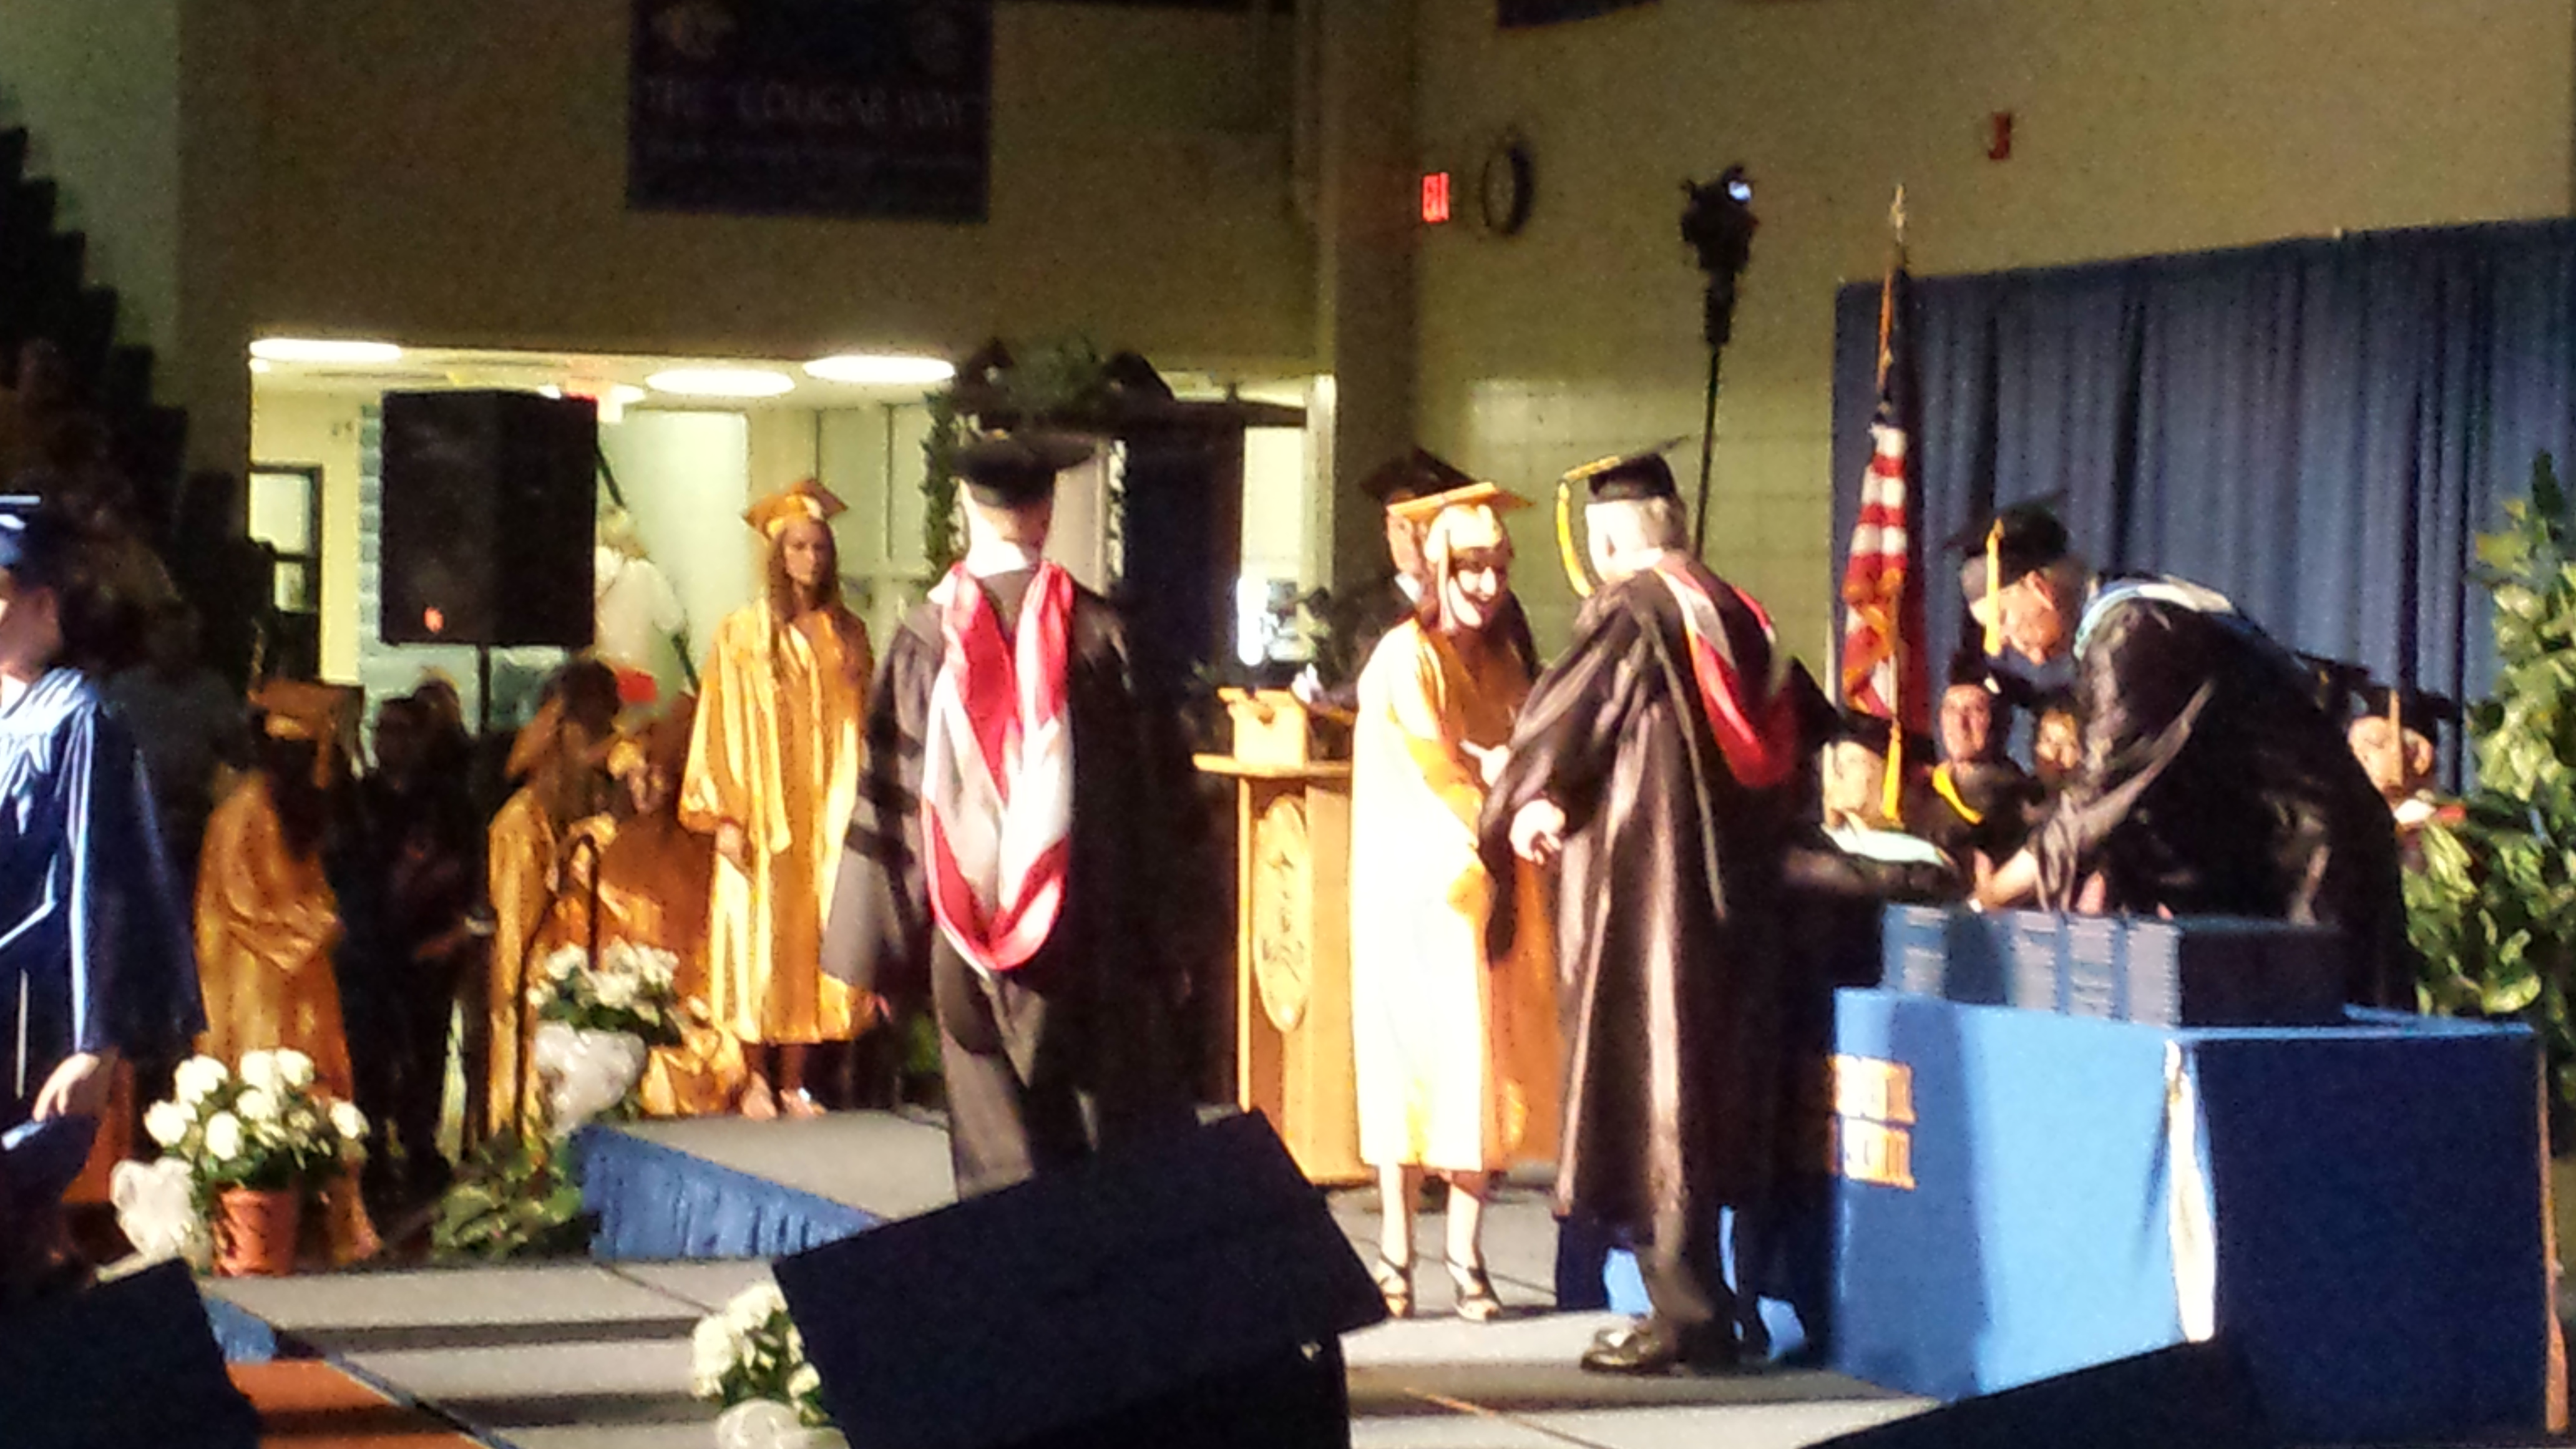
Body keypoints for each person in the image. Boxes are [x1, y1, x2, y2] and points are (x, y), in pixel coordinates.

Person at [1478, 448, 1802, 1375]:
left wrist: (1518, 794)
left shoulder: (1633, 610)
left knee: (1658, 1094)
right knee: (1700, 1095)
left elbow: (1568, 717)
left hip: (1648, 899)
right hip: (1731, 900)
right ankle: (1717, 1304)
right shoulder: (1738, 613)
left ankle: (1687, 1316)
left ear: (1610, 541)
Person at [825, 432, 1194, 1197]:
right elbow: (1160, 811)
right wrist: (1172, 943)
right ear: (1047, 514)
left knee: (1000, 1176)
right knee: (1111, 1170)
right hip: (1094, 948)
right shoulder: (1106, 638)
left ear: (966, 505)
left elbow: (891, 808)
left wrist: (885, 955)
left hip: (965, 950)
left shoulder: (921, 642)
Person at [1963, 504, 2411, 1007]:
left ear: (2039, 590)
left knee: (2323, 1036)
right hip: (2269, 861)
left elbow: (2096, 799)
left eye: (2003, 620)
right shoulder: (2130, 616)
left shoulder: (2136, 631)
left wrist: (1989, 898)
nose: (2002, 645)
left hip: (2314, 862)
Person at [1349, 480, 1559, 1324]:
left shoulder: (1506, 661)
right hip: (1417, 893)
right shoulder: (1405, 656)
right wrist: (1503, 790)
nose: (1486, 584)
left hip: (1493, 887)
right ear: (1439, 568)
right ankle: (1396, 1253)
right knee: (1409, 1068)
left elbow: (1527, 747)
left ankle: (1468, 1255)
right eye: (1470, 567)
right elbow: (1439, 767)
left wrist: (1525, 781)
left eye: (1498, 567)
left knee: (1485, 1069)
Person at [0, 497, 199, 1302]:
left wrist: (97, 1041)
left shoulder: (76, 718)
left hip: (27, 1011)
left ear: (42, 602)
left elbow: (102, 880)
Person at [683, 479, 874, 1119]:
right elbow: (717, 724)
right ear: (777, 554)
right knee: (756, 935)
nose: (810, 559)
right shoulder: (741, 633)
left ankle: (795, 1080)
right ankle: (754, 1078)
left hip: (825, 814)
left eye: (819, 547)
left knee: (810, 937)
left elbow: (863, 728)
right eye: (798, 547)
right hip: (760, 811)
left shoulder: (847, 635)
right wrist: (724, 815)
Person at [195, 676, 377, 1262]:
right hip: (250, 988)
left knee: (317, 1096)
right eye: (301, 755)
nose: (312, 769)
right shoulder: (240, 815)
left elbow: (315, 887)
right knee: (260, 1100)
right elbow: (243, 905)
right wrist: (318, 924)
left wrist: (323, 916)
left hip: (302, 985)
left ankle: (324, 1227)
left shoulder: (295, 814)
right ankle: (252, 1234)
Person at [351, 690, 485, 1209]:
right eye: (381, 731)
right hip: (370, 951)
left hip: (430, 948)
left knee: (426, 1055)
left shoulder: (447, 802)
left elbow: (468, 870)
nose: (388, 742)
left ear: (421, 739)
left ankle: (421, 1148)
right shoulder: (360, 799)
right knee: (371, 1057)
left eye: (400, 732)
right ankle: (372, 1154)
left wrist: (456, 935)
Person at [482, 661, 620, 1138]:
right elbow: (517, 946)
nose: (603, 743)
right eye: (593, 727)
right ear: (561, 730)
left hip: (586, 996)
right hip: (540, 1012)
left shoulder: (596, 805)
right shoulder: (522, 822)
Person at [587, 698, 744, 1117]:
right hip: (627, 1014)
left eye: (656, 773)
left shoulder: (706, 850)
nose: (645, 786)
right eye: (636, 775)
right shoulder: (604, 849)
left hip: (700, 1016)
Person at [1300, 449, 1538, 714]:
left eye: (1423, 526)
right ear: (1386, 530)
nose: (1412, 541)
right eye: (1401, 527)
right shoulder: (1357, 611)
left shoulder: (1499, 606)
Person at [103, 603, 251, 897]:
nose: (176, 646)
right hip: (138, 813)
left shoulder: (212, 690)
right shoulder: (125, 691)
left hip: (197, 815)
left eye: (184, 638)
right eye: (168, 637)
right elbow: (106, 754)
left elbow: (238, 753)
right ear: (150, 639)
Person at [1909, 649, 2040, 871]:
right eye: (1950, 709)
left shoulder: (2021, 802)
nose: (1959, 723)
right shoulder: (1923, 791)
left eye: (1975, 711)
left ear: (2000, 723)